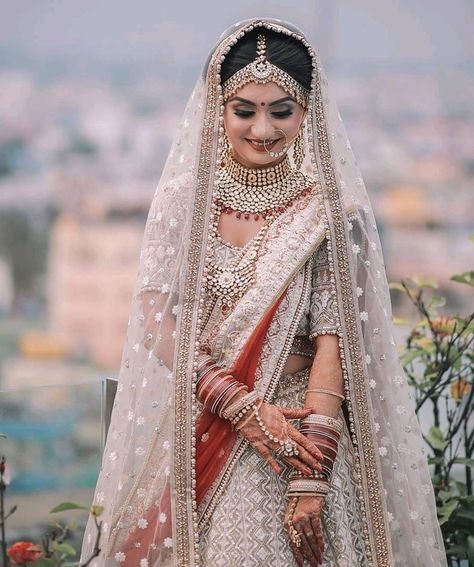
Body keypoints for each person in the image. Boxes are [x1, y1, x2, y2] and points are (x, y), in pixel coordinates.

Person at [81, 18, 447, 567]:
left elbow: (334, 336)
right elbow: (155, 315)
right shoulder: (185, 201)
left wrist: (315, 470)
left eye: (282, 111)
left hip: (300, 429)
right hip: (211, 419)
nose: (263, 129)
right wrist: (236, 402)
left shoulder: (326, 213)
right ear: (218, 110)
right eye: (244, 110)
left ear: (306, 113)